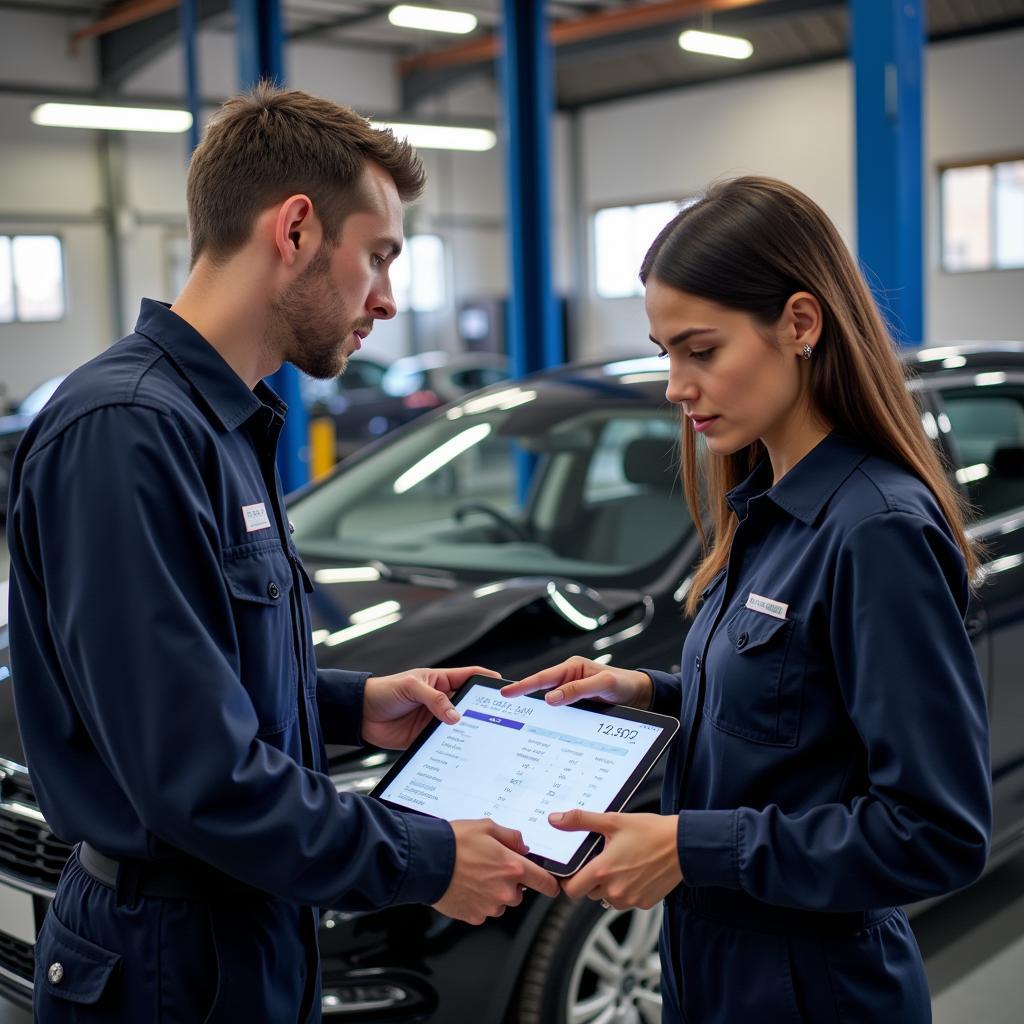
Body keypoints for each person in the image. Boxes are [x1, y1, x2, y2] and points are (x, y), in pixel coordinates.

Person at [7, 84, 557, 1023]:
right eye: (378, 257)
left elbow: (203, 676)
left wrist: (346, 703)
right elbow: (195, 776)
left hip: (245, 927)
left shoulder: (222, 423)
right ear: (296, 229)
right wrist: (427, 860)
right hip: (166, 962)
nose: (387, 299)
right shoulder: (129, 433)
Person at [502, 176, 992, 1022]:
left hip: (814, 987)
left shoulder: (874, 530)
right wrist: (646, 692)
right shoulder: (768, 506)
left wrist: (693, 847)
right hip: (716, 969)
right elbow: (800, 708)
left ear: (801, 324)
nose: (675, 387)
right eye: (665, 354)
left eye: (702, 351)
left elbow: (935, 834)